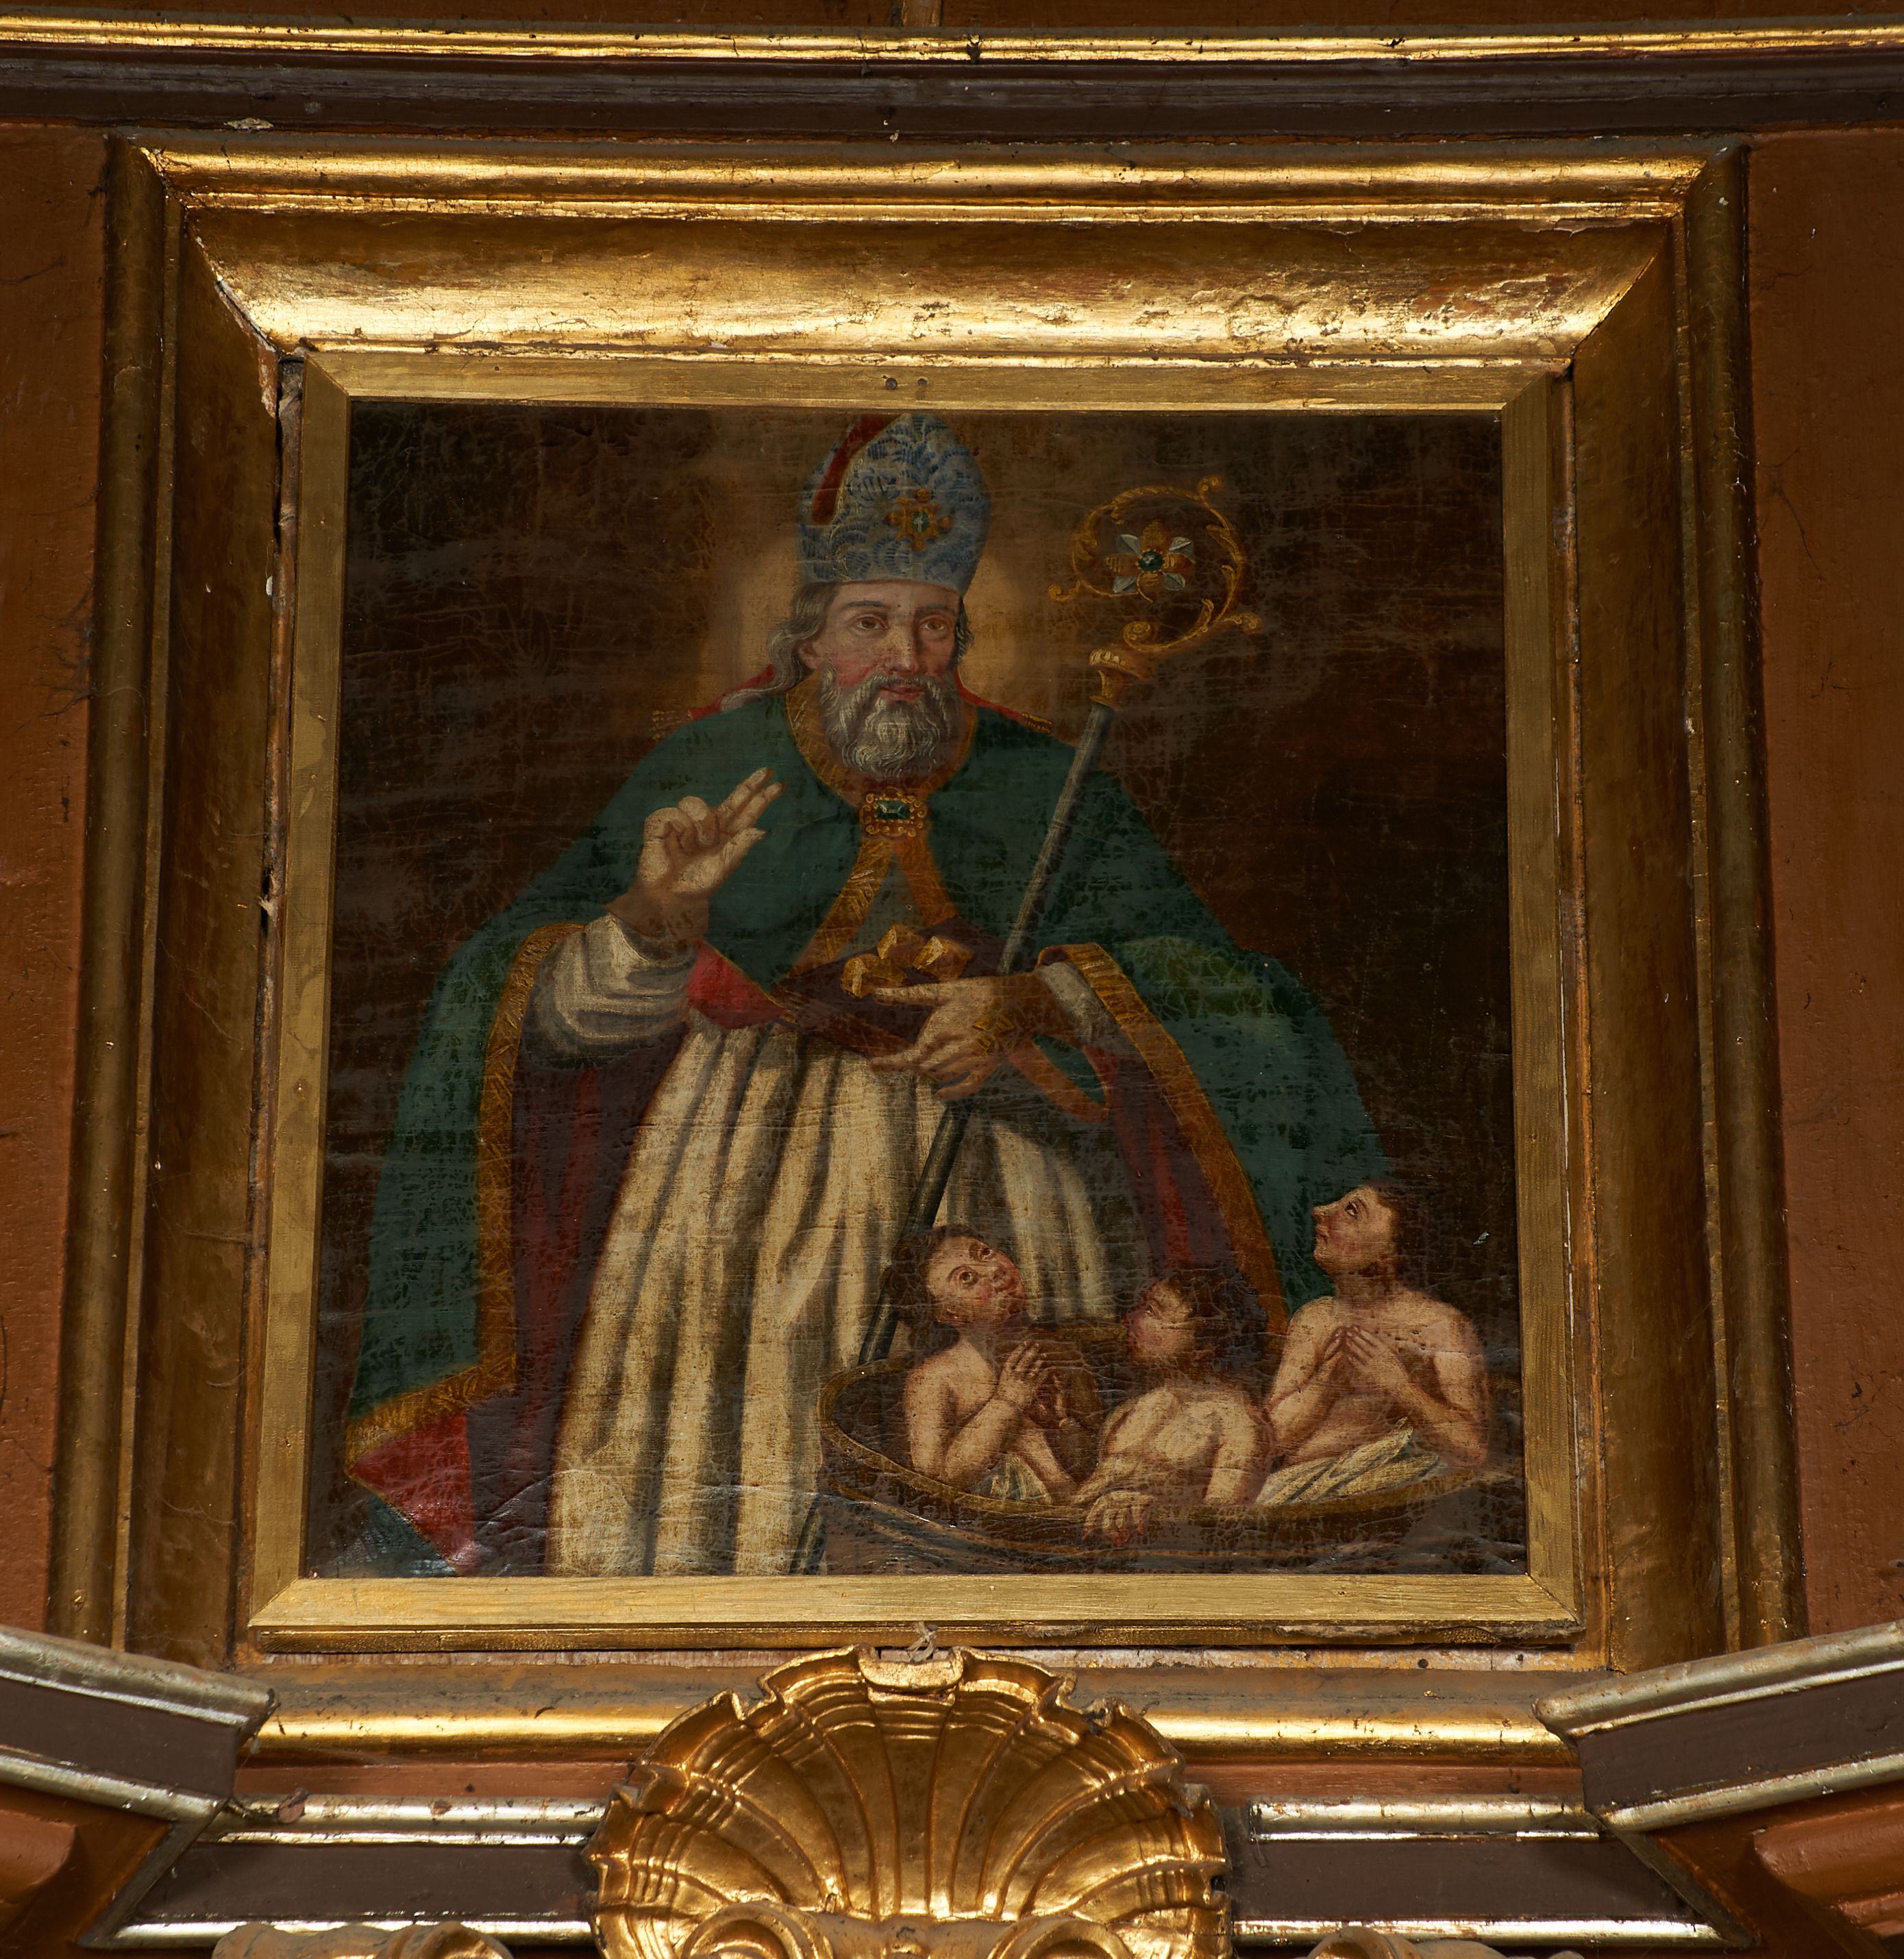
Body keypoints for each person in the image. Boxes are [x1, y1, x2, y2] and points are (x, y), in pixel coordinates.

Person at [345, 411, 1388, 1575]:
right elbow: (517, 1004)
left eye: (931, 624)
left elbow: (1224, 990)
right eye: (869, 622)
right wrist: (652, 920)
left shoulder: (1047, 780)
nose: (905, 654)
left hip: (1005, 1153)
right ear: (808, 637)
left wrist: (1031, 1001)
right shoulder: (706, 766)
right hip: (743, 1171)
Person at [1263, 1183, 1488, 1475]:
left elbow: (1472, 1449)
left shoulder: (1441, 1325)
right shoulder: (1315, 1318)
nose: (1319, 1211)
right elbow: (1273, 1440)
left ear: (1389, 1252)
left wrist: (1398, 1386)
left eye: (1352, 1211)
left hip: (1386, 1486)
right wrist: (1331, 1375)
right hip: (1300, 1483)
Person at [892, 1227, 1097, 1502]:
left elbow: (1095, 1455)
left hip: (1068, 1509)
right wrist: (1008, 1402)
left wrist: (1063, 1426)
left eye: (985, 1253)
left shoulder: (1060, 1354)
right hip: (992, 1518)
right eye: (966, 1278)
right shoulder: (935, 1379)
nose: (993, 1270)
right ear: (948, 1312)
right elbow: (935, 1479)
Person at [1074, 1270, 1273, 1547]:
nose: (1130, 1319)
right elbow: (1076, 1504)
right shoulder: (1132, 1410)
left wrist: (1157, 1511)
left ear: (1203, 1346)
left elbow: (1223, 1530)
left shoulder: (1238, 1424)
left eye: (1153, 1312)